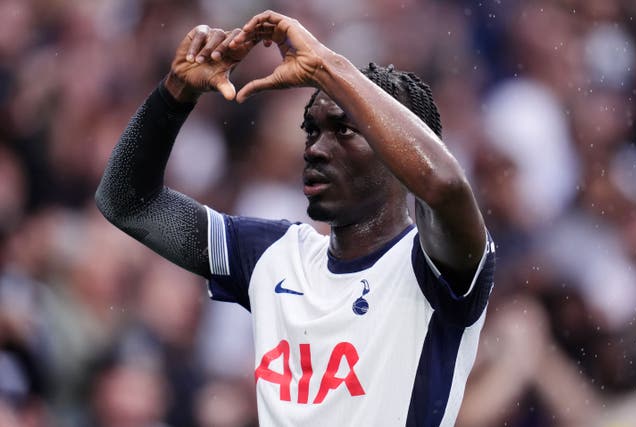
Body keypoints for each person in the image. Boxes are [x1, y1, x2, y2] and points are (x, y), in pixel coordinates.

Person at [96, 10, 495, 427]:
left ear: (396, 149)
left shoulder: (439, 266)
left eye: (342, 130)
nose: (315, 149)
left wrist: (326, 64)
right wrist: (174, 94)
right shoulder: (272, 256)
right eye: (311, 131)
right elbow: (126, 201)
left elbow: (445, 187)